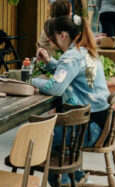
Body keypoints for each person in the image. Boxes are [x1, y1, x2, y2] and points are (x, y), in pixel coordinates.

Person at [34, 14, 110, 163]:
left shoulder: (72, 57)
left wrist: (31, 82)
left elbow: (55, 88)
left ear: (63, 35)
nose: (48, 39)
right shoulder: (82, 51)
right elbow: (70, 73)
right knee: (50, 132)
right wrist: (49, 62)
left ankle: (65, 177)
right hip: (100, 124)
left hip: (89, 129)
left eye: (51, 35)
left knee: (40, 136)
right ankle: (73, 174)